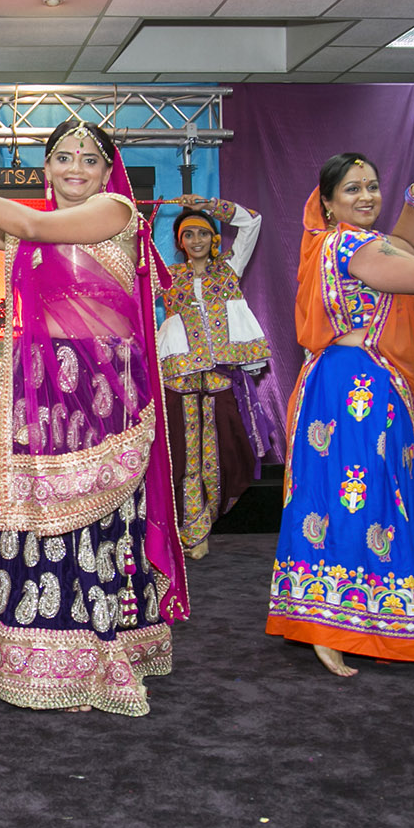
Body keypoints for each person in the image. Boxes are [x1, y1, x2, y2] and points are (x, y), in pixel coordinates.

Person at [0, 119, 188, 716]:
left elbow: (32, 224)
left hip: (100, 394)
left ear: (107, 170)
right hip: (37, 388)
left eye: (89, 159)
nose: (75, 168)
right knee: (33, 509)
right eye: (63, 157)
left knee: (92, 513)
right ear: (45, 167)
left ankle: (94, 658)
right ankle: (29, 653)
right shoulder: (37, 228)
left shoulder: (115, 211)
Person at [266, 153, 414, 677]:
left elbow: (401, 247)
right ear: (327, 203)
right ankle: (332, 627)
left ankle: (348, 618)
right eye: (352, 190)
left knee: (347, 494)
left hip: (347, 381)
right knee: (360, 497)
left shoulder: (344, 242)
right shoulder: (352, 245)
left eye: (373, 185)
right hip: (358, 390)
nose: (367, 196)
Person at [157, 198, 275, 560]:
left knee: (226, 450)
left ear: (215, 239)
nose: (195, 240)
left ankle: (206, 519)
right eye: (188, 234)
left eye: (203, 234)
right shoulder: (168, 276)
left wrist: (210, 206)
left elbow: (253, 219)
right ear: (179, 242)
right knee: (185, 454)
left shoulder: (228, 268)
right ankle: (192, 532)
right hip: (181, 377)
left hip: (222, 377)